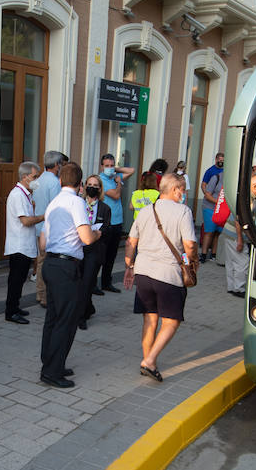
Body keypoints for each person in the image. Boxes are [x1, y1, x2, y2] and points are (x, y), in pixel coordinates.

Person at [124, 171, 197, 381]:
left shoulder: (146, 210)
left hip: (144, 273)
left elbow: (131, 242)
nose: (183, 194)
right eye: (182, 190)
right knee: (172, 321)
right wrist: (192, 261)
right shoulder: (183, 212)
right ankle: (149, 361)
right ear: (174, 190)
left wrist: (129, 267)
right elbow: (190, 244)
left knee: (150, 319)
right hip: (168, 274)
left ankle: (149, 360)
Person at [38, 161, 98, 388]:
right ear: (80, 184)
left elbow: (43, 242)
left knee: (53, 317)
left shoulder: (54, 203)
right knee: (66, 320)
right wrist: (97, 233)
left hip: (51, 264)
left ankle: (52, 362)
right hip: (66, 267)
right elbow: (86, 238)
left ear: (61, 180)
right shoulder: (76, 202)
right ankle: (52, 372)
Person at [2, 161, 42, 324]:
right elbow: (25, 221)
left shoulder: (26, 193)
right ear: (25, 177)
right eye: (34, 176)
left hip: (25, 244)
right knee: (16, 280)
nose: (36, 180)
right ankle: (10, 312)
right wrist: (43, 216)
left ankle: (15, 307)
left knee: (19, 280)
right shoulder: (17, 194)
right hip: (19, 245)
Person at [32, 150, 67, 307]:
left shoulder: (39, 180)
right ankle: (45, 297)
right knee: (47, 264)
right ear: (56, 165)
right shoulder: (53, 182)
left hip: (38, 227)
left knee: (41, 262)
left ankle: (40, 294)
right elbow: (56, 207)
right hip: (48, 229)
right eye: (60, 164)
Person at [78, 172, 110, 330]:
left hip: (94, 250)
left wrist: (96, 233)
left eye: (95, 186)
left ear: (100, 189)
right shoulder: (78, 204)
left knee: (88, 282)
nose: (92, 188)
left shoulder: (105, 208)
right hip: (78, 248)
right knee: (80, 283)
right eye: (89, 185)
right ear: (84, 186)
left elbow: (106, 229)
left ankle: (81, 316)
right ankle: (88, 307)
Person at [97, 153, 133, 293]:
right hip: (107, 222)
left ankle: (107, 283)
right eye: (107, 166)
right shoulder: (101, 180)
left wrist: (115, 170)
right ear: (102, 167)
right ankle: (94, 284)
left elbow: (131, 170)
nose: (110, 168)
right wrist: (119, 182)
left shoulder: (114, 176)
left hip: (117, 221)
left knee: (112, 255)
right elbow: (116, 195)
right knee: (101, 255)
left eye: (112, 165)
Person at [224, 172, 256, 297]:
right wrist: (240, 240)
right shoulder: (248, 199)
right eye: (255, 185)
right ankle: (239, 288)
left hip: (228, 232)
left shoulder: (247, 196)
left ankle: (231, 286)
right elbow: (238, 220)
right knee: (242, 263)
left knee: (231, 262)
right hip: (235, 235)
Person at [200, 151, 226, 261]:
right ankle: (204, 254)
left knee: (218, 232)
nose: (221, 162)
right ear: (216, 160)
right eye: (219, 160)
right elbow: (205, 187)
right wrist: (217, 201)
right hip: (210, 207)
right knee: (209, 231)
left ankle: (214, 254)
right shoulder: (212, 173)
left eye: (223, 161)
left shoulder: (226, 174)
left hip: (220, 209)